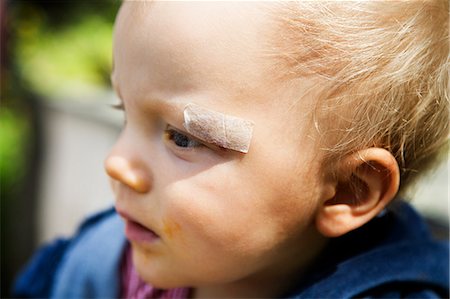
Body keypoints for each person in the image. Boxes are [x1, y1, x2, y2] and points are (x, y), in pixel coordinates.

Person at [13, 1, 449, 298]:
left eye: (183, 138)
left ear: (345, 191)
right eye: (123, 109)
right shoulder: (90, 268)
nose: (117, 163)